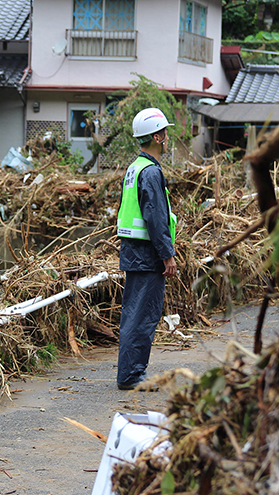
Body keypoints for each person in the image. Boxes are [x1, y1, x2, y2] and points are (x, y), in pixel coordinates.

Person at [115, 107, 177, 390]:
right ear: (156, 136)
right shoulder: (150, 172)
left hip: (133, 251)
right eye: (164, 132)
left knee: (134, 313)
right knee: (143, 315)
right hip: (146, 254)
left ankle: (130, 372)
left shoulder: (134, 168)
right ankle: (131, 376)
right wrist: (167, 254)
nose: (167, 136)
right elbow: (155, 217)